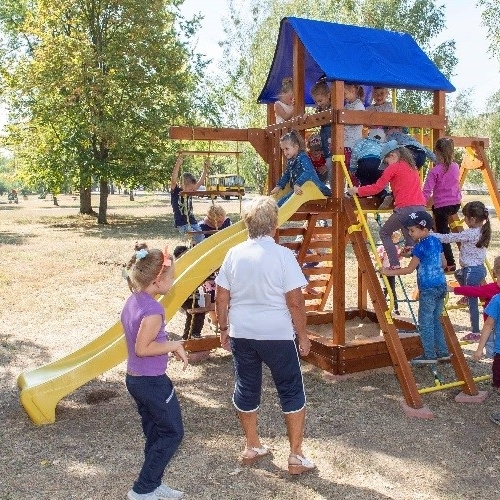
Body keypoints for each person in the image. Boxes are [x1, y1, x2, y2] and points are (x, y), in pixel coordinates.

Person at [215, 196, 316, 475]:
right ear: (274, 225)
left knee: (247, 387)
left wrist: (223, 328)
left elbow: (221, 297)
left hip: (242, 333)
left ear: (247, 223)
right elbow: (295, 302)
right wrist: (303, 336)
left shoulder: (234, 253)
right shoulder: (283, 256)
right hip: (277, 335)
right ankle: (295, 455)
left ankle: (252, 445)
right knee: (291, 389)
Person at [121, 242, 188, 500]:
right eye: (171, 276)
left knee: (155, 431)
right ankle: (142, 489)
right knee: (172, 432)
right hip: (151, 382)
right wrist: (174, 344)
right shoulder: (153, 310)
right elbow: (142, 348)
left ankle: (153, 482)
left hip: (137, 380)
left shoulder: (135, 300)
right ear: (158, 280)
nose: (174, 280)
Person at [381, 211, 450, 364]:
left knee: (425, 322)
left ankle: (429, 355)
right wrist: (411, 254)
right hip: (441, 285)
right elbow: (444, 263)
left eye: (412, 230)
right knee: (436, 320)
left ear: (424, 230)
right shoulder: (436, 241)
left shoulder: (420, 248)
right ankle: (443, 352)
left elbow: (409, 270)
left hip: (428, 288)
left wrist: (388, 271)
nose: (410, 233)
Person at [347, 140, 426, 270]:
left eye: (386, 161)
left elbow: (377, 188)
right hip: (420, 208)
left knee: (384, 232)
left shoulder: (393, 167)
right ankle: (410, 246)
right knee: (409, 225)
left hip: (405, 208)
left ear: (393, 156)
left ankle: (394, 264)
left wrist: (357, 190)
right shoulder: (412, 167)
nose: (386, 164)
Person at [433, 201, 491, 343]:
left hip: (472, 271)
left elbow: (449, 238)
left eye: (465, 217)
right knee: (458, 274)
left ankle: (476, 332)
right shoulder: (483, 230)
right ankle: (466, 294)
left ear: (472, 219)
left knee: (472, 304)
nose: (463, 220)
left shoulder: (471, 233)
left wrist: (432, 235)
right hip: (476, 269)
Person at [422, 137, 462, 273]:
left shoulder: (435, 171)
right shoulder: (456, 166)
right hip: (455, 204)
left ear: (437, 153)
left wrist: (420, 204)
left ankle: (450, 263)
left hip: (442, 207)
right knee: (439, 227)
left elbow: (427, 190)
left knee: (442, 235)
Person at [448, 255, 500, 357]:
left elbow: (474, 290)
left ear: (494, 272)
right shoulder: (491, 289)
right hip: (493, 328)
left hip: (492, 329)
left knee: (495, 354)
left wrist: (453, 289)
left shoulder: (492, 288)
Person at [270, 129, 331, 207]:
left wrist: (297, 183)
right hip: (302, 187)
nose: (284, 152)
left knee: (288, 198)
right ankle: (272, 206)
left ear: (296, 147)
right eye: (283, 150)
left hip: (316, 189)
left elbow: (309, 172)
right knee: (286, 195)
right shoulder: (291, 160)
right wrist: (279, 186)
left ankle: (276, 208)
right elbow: (287, 174)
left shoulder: (303, 157)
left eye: (287, 149)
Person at [198, 204, 232, 330]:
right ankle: (214, 320)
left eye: (222, 220)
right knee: (211, 292)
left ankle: (225, 318)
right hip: (209, 266)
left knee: (228, 292)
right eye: (218, 221)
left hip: (225, 263)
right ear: (211, 220)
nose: (221, 223)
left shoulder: (227, 223)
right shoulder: (202, 227)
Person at [170, 155, 208, 245]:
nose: (193, 190)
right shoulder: (176, 191)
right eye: (190, 188)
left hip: (192, 221)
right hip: (182, 223)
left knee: (201, 237)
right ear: (183, 185)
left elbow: (201, 181)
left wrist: (205, 168)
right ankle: (194, 247)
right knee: (195, 236)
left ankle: (194, 247)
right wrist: (178, 164)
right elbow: (173, 180)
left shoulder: (190, 191)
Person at [173, 245, 206, 340]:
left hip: (192, 295)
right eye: (186, 254)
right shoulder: (178, 267)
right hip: (183, 296)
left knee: (194, 313)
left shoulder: (190, 265)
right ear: (179, 257)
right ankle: (192, 334)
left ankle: (189, 335)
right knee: (196, 311)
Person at [349, 128, 387, 199]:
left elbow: (355, 153)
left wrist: (352, 167)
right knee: (377, 181)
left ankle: (363, 193)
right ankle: (382, 193)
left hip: (365, 162)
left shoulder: (363, 141)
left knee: (363, 177)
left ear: (369, 135)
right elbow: (385, 155)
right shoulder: (383, 145)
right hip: (378, 163)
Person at [310, 80, 333, 178]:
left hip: (331, 135)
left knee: (330, 156)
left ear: (328, 96)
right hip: (324, 135)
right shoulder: (320, 109)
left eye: (320, 100)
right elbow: (314, 119)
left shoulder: (333, 107)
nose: (318, 104)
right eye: (316, 102)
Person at [377, 231, 402, 315]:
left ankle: (396, 308)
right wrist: (381, 255)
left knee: (392, 290)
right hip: (383, 271)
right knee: (385, 289)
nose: (397, 240)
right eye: (396, 238)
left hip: (391, 271)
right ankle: (381, 306)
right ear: (392, 238)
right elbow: (377, 257)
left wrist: (400, 254)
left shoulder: (395, 248)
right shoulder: (382, 247)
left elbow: (398, 258)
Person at [343, 82, 365, 167]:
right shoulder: (347, 106)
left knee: (351, 166)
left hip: (353, 143)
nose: (344, 97)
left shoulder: (359, 105)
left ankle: (353, 180)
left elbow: (358, 120)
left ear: (352, 91)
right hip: (346, 142)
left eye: (345, 93)